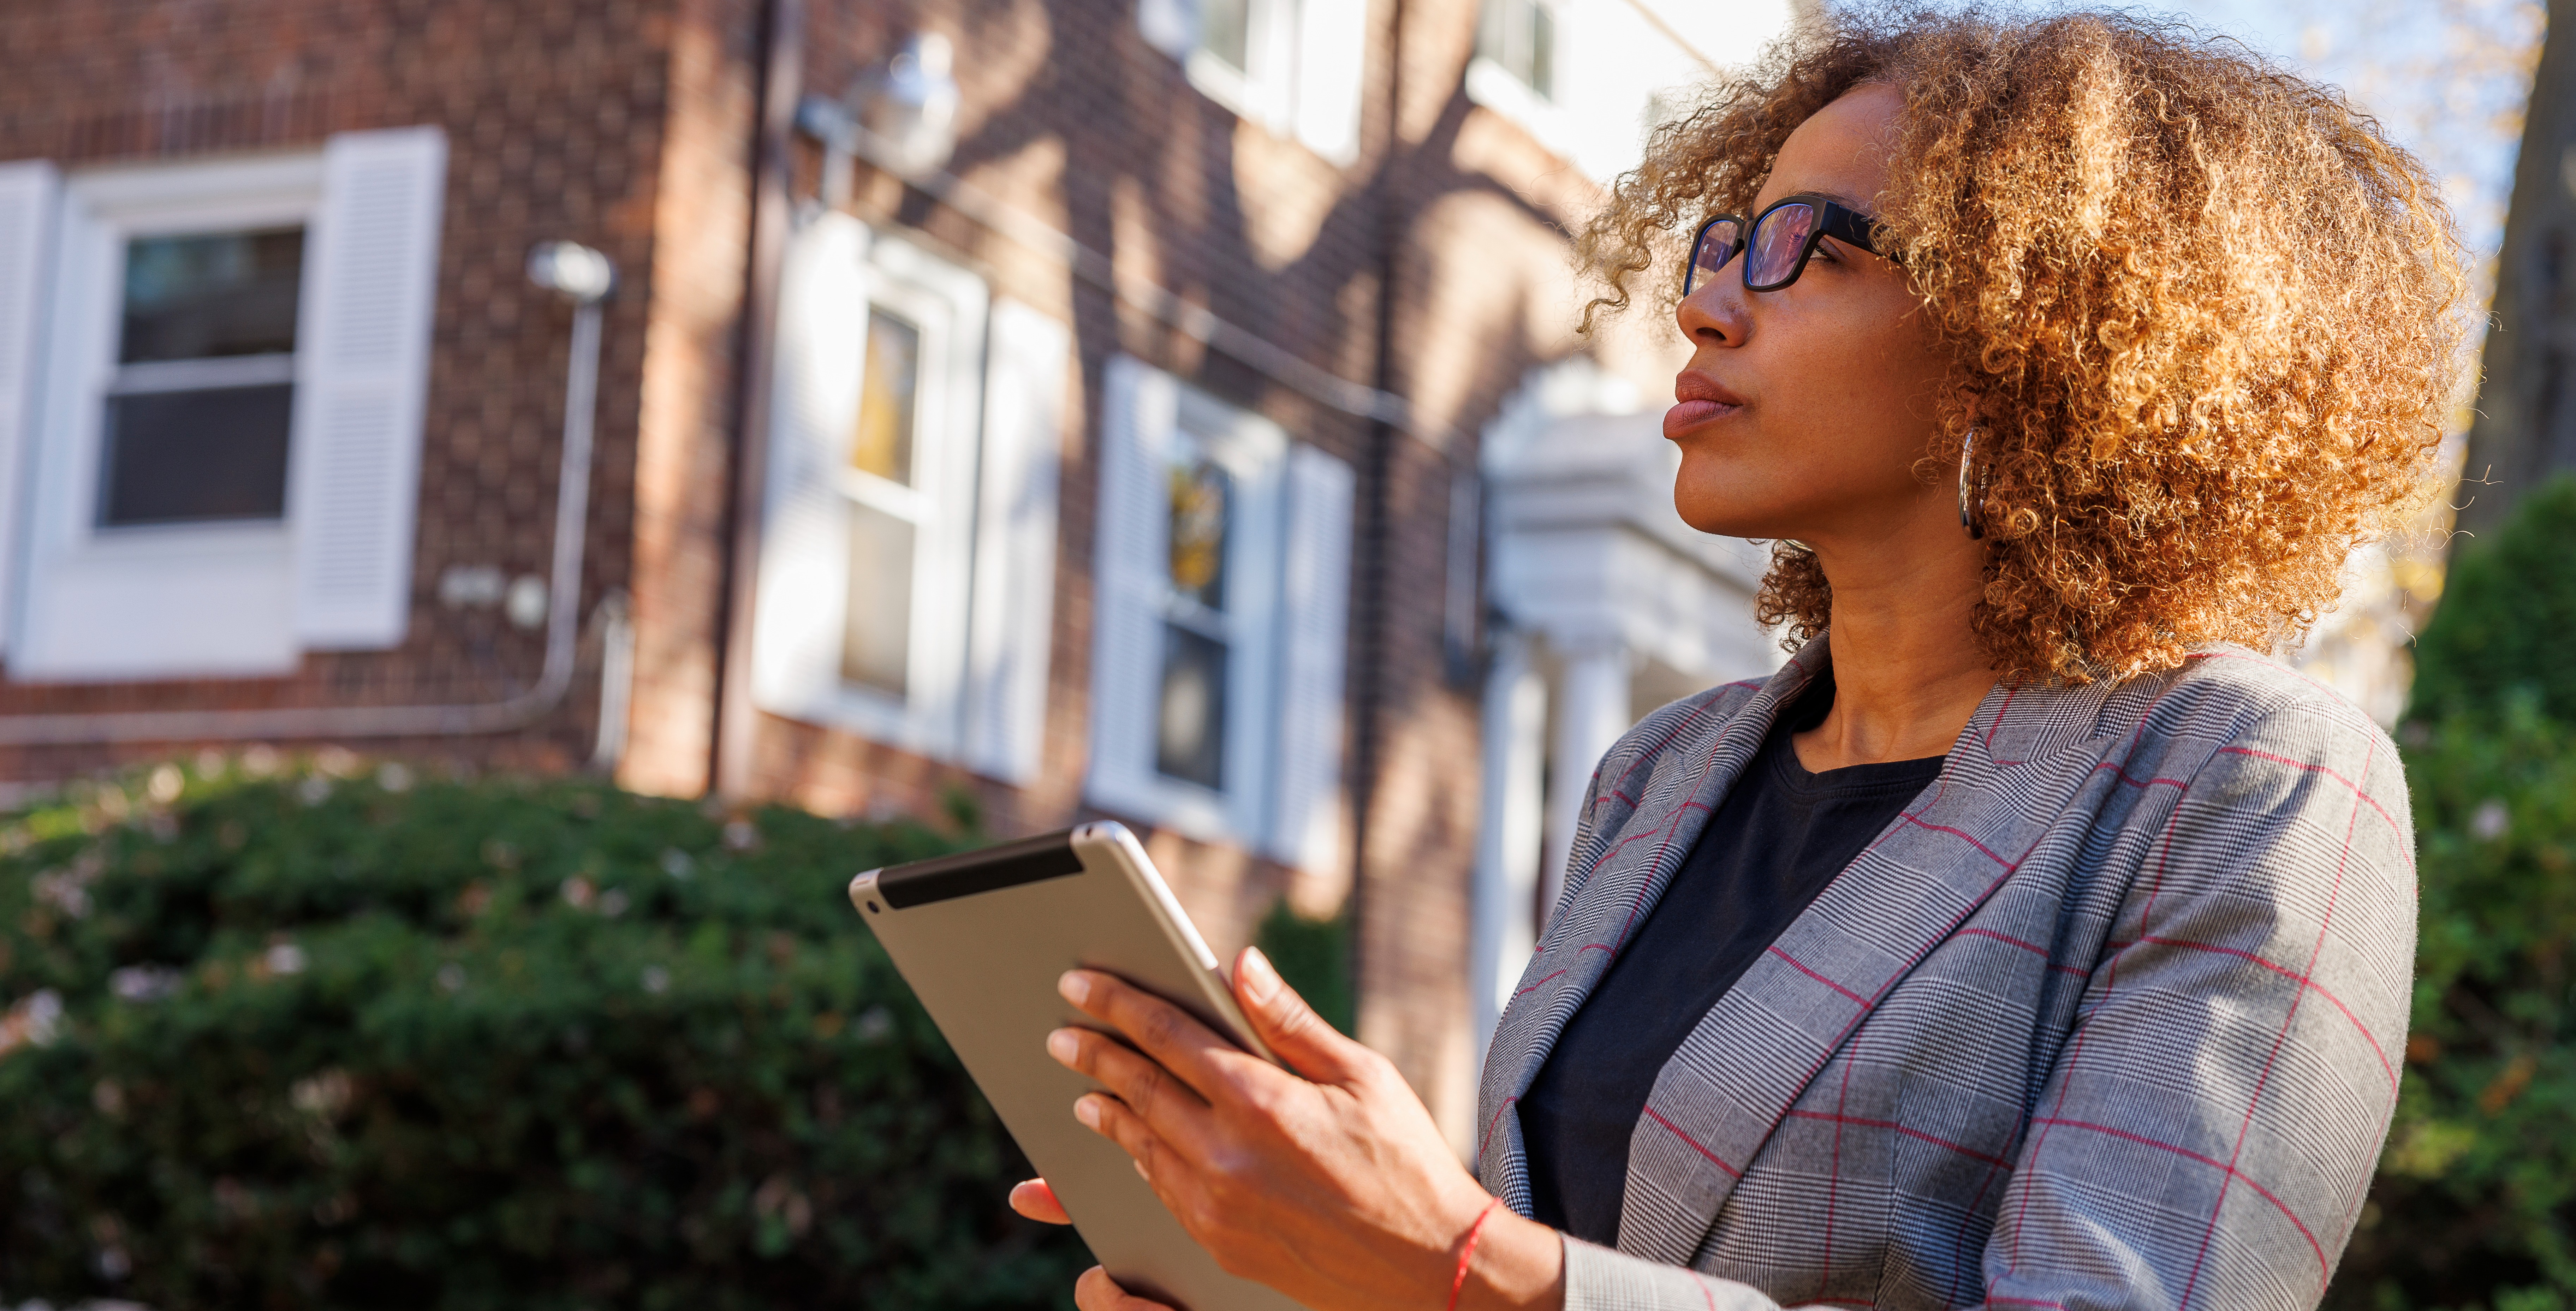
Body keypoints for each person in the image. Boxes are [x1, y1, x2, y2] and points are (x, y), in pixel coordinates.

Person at [1012, 7, 2462, 1309]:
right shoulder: (1664, 771)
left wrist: (1454, 1266)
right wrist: (1312, 1270)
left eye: (1814, 249)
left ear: (2038, 333)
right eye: (1726, 239)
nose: (1706, 304)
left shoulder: (2244, 777)